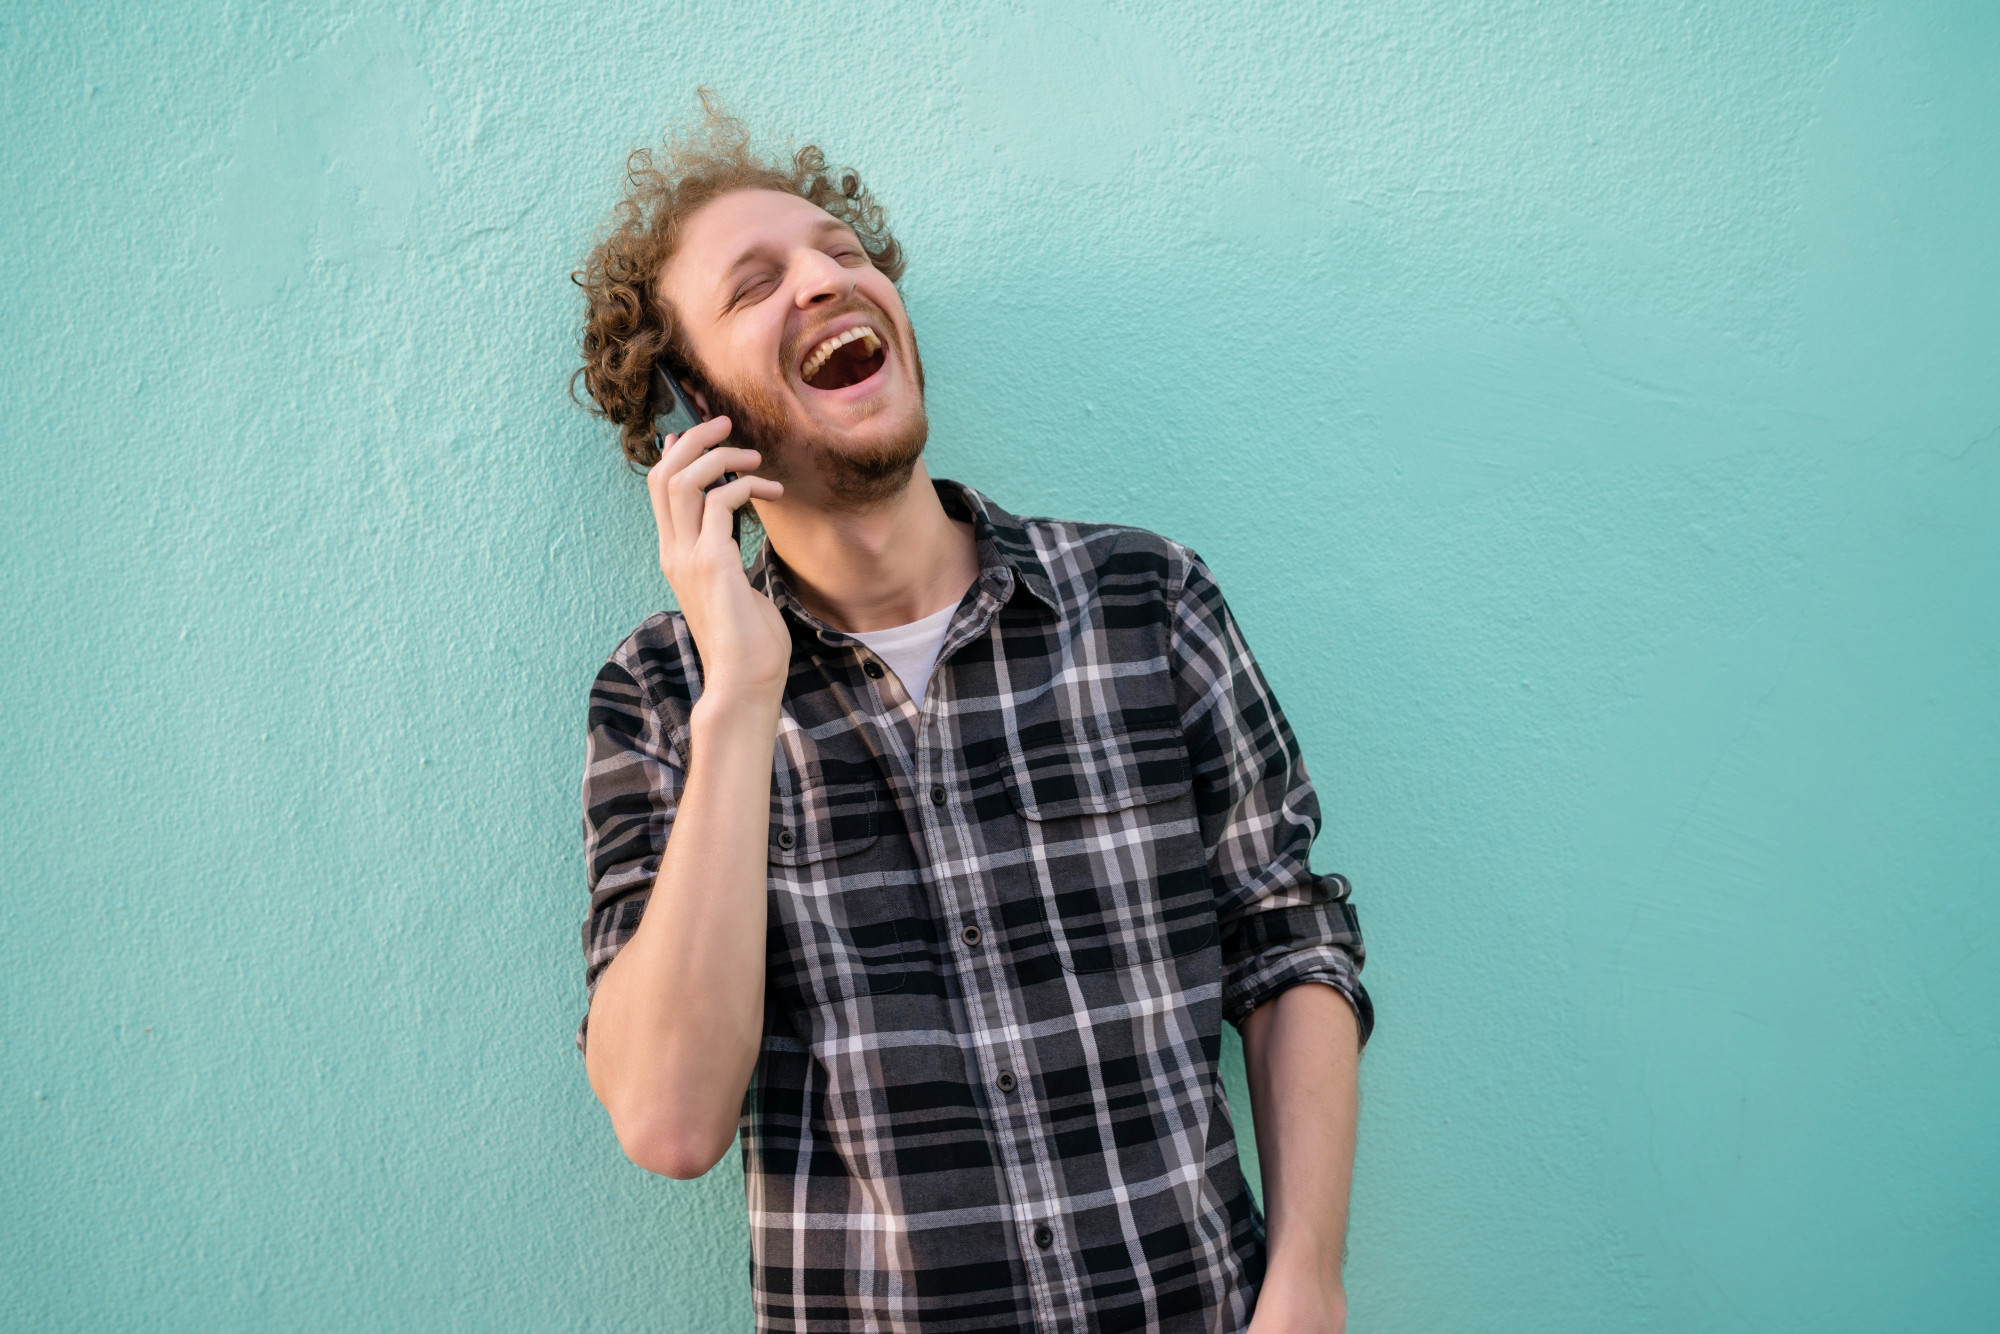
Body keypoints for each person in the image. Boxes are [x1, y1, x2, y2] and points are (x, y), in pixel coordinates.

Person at [571, 98, 1372, 1334]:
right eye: (754, 285)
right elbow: (669, 1120)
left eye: (843, 254)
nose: (826, 284)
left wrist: (1305, 1280)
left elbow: (1287, 940)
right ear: (692, 406)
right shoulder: (658, 697)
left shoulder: (1144, 598)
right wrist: (740, 689)